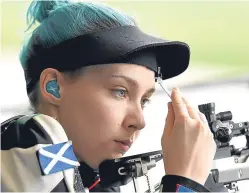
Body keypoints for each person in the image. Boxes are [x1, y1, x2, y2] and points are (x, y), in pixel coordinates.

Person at [1, 0, 222, 192]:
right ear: (54, 86)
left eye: (144, 101)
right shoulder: (25, 146)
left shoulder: (87, 173)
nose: (139, 121)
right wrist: (185, 183)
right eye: (120, 92)